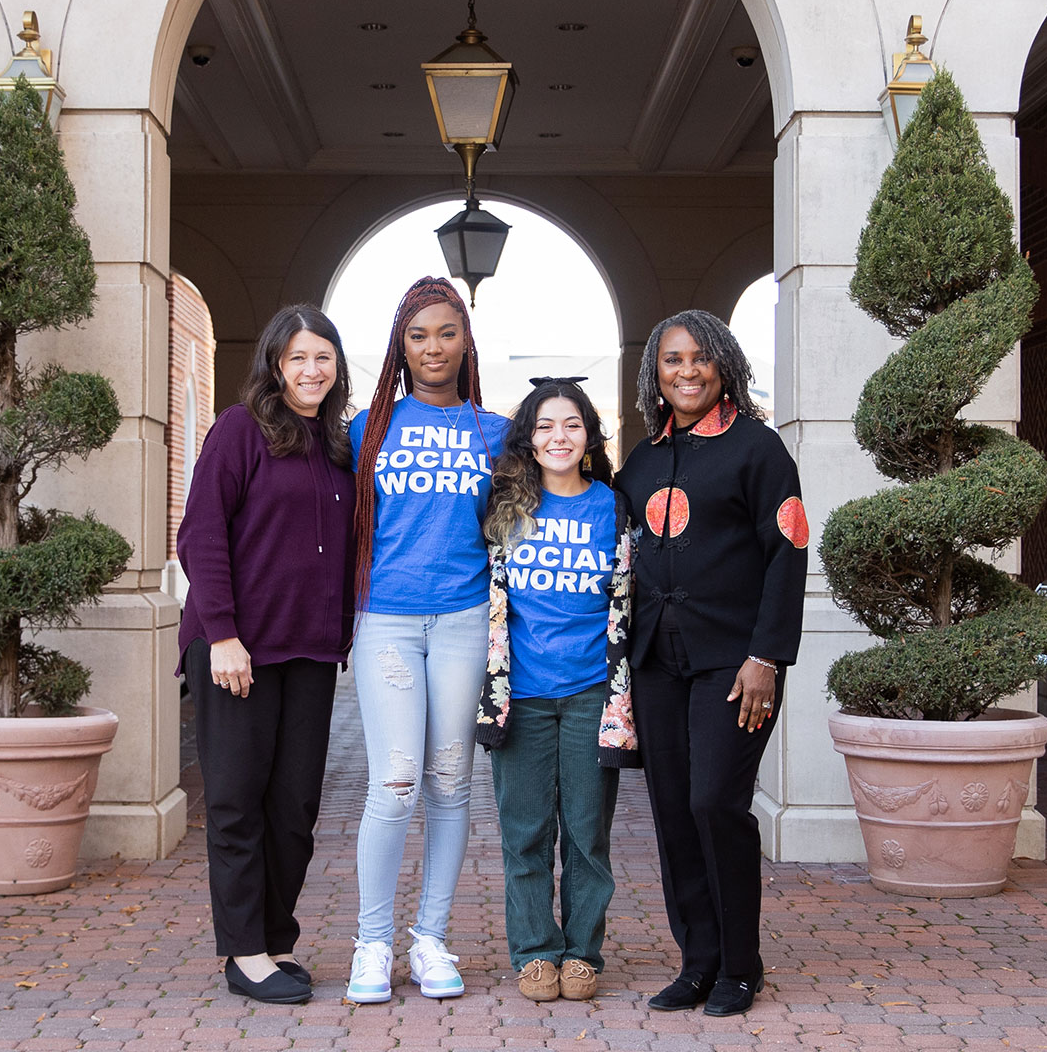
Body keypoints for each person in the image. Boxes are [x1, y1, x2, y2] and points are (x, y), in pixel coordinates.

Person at [613, 310, 809, 1018]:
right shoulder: (639, 461)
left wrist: (768, 656)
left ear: (723, 364)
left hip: (736, 664)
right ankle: (696, 963)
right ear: (654, 373)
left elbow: (789, 553)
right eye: (672, 360)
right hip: (658, 665)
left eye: (700, 358)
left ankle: (740, 966)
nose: (686, 371)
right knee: (671, 811)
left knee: (714, 804)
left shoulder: (759, 450)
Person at [175, 303, 356, 1005]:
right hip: (236, 651)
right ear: (276, 365)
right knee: (237, 802)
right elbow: (201, 534)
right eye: (299, 357)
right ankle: (244, 952)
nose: (312, 370)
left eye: (324, 357)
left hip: (308, 655)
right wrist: (221, 633)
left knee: (293, 806)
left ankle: (277, 940)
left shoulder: (337, 448)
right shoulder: (240, 430)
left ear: (337, 368)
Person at [345, 276, 507, 1003]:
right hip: (388, 620)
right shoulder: (366, 431)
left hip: (464, 621)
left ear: (466, 341)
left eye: (446, 332)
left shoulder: (494, 432)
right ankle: (372, 943)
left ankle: (431, 939)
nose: (433, 347)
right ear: (400, 347)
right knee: (395, 781)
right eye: (419, 335)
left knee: (449, 781)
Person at [476, 377, 638, 1003]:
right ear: (528, 437)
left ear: (590, 436)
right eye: (544, 425)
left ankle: (583, 952)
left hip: (593, 693)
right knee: (525, 830)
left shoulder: (613, 507)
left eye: (571, 424)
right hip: (522, 694)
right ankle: (536, 951)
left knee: (586, 832)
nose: (558, 436)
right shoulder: (505, 509)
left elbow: (631, 599)